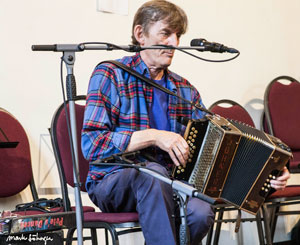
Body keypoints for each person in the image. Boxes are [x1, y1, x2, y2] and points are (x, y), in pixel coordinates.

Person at [81, 1, 290, 244]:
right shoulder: (111, 74)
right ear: (140, 34)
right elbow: (92, 144)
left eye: (177, 35)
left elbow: (218, 151)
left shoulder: (184, 90)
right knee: (153, 173)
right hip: (113, 180)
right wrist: (154, 136)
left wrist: (268, 174)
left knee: (200, 211)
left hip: (171, 184)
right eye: (165, 33)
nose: (174, 43)